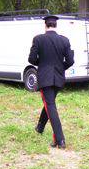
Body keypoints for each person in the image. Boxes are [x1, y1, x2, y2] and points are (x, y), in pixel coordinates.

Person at [28, 15, 74, 149]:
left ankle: (60, 140)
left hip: (45, 77)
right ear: (55, 25)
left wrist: (42, 64)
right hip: (59, 78)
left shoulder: (38, 39)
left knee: (50, 105)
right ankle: (40, 127)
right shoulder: (64, 40)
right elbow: (70, 61)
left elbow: (31, 59)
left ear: (45, 25)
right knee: (49, 103)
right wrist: (60, 67)